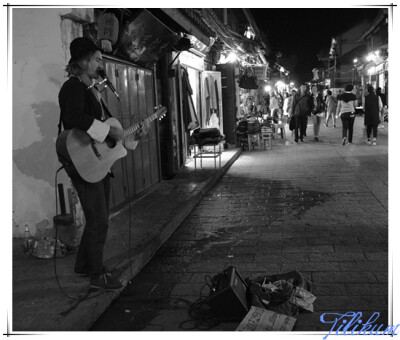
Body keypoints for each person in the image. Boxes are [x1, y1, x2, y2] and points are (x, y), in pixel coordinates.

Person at [58, 37, 144, 290]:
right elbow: (73, 117)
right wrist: (108, 133)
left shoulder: (91, 89)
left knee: (98, 217)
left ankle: (84, 266)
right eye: (96, 59)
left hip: (97, 163)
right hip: (83, 161)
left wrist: (131, 134)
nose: (100, 63)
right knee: (99, 220)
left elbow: (110, 130)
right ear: (82, 61)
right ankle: (97, 275)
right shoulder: (72, 87)